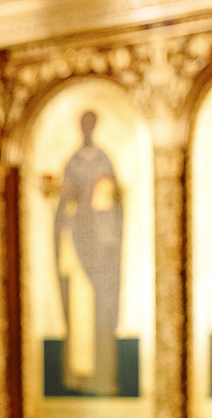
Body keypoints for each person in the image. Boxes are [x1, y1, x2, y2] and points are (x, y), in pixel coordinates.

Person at [55, 110, 123, 395]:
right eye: (83, 125)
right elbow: (65, 200)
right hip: (75, 239)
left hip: (98, 244)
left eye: (90, 125)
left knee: (100, 305)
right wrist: (65, 199)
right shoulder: (72, 161)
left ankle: (102, 376)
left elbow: (108, 202)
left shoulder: (103, 160)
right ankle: (77, 375)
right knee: (77, 305)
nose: (86, 129)